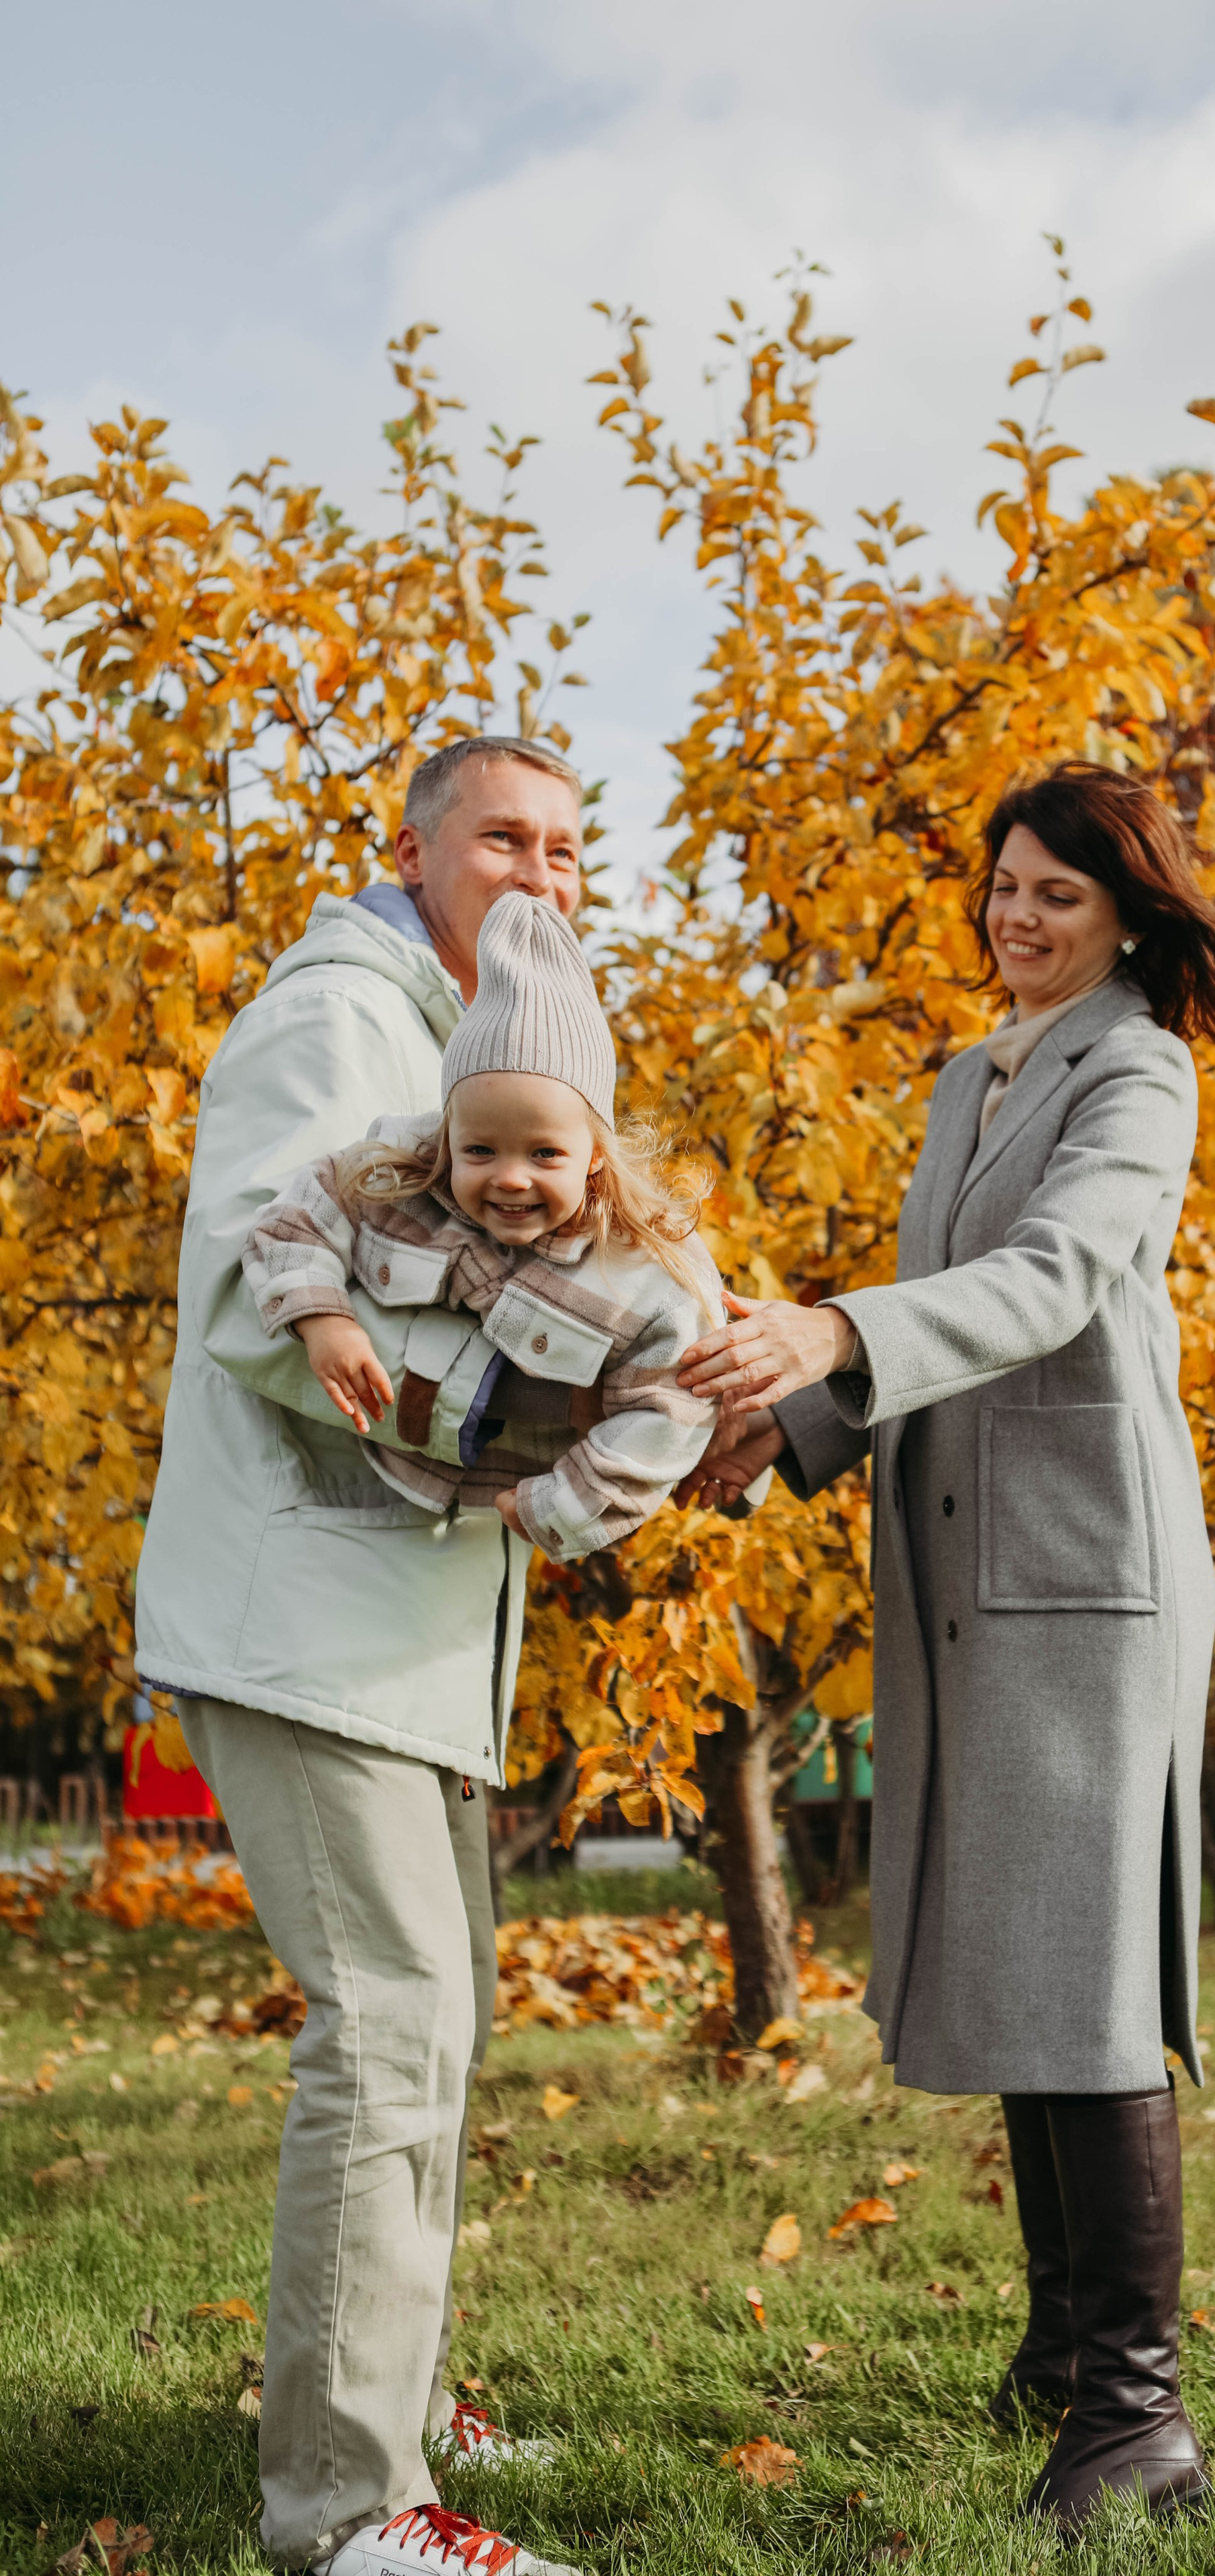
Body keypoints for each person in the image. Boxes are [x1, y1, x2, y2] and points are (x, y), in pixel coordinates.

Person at [676, 761, 1215, 2528]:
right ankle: (1067, 2353)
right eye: (1005, 887)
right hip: (968, 1569)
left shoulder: (1139, 1071)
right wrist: (790, 1433)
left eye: (1056, 897)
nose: (1017, 917)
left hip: (1085, 1578)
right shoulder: (971, 1078)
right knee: (1025, 1957)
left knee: (1085, 1980)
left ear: (1130, 918)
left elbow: (1057, 1284)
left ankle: (1141, 2417)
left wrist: (827, 1330)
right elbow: (949, 1337)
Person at [135, 739, 598, 2576]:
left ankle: (393, 2403)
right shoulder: (342, 1017)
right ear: (409, 849)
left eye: (570, 847)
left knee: (433, 2028)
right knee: (391, 2025)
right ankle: (351, 2510)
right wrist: (500, 1420)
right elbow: (260, 1277)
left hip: (399, 1634)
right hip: (308, 1616)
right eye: (505, 837)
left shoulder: (486, 1045)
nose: (542, 872)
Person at [242, 890, 721, 1562]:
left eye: (545, 1154)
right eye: (480, 1151)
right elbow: (290, 1222)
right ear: (446, 1138)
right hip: (380, 1486)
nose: (511, 1178)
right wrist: (325, 1319)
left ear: (595, 1157)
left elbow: (672, 1409)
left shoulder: (640, 1270)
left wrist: (559, 1510)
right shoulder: (402, 1183)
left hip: (499, 1532)